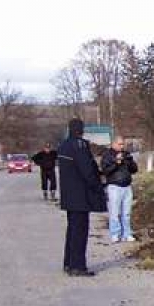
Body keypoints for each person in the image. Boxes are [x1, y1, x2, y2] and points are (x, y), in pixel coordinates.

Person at [57, 118, 106, 276]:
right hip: (80, 196)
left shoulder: (63, 145)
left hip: (69, 196)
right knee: (80, 231)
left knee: (72, 230)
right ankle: (78, 266)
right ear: (81, 129)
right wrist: (98, 186)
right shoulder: (79, 145)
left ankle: (69, 263)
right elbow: (87, 170)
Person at [100, 137, 138, 243]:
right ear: (113, 144)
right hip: (114, 186)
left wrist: (130, 162)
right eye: (119, 144)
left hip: (127, 186)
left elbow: (134, 169)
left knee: (126, 213)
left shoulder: (127, 155)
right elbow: (105, 171)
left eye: (123, 144)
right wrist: (116, 163)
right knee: (114, 212)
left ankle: (127, 233)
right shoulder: (107, 155)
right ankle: (115, 234)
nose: (121, 146)